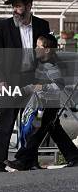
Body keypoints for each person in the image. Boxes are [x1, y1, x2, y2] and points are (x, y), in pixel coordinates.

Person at [0, 0, 50, 173]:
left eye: (20, 7)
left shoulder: (42, 25)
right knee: (5, 124)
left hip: (33, 80)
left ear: (30, 5)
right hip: (10, 81)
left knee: (32, 123)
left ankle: (29, 161)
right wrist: (0, 80)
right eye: (14, 7)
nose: (17, 11)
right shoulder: (4, 27)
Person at [5, 34, 78, 170]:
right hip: (42, 104)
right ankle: (73, 157)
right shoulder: (42, 64)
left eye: (38, 46)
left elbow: (59, 86)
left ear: (47, 50)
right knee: (53, 130)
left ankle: (23, 160)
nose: (35, 49)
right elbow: (36, 85)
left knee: (35, 131)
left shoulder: (51, 67)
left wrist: (42, 87)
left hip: (47, 106)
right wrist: (25, 89)